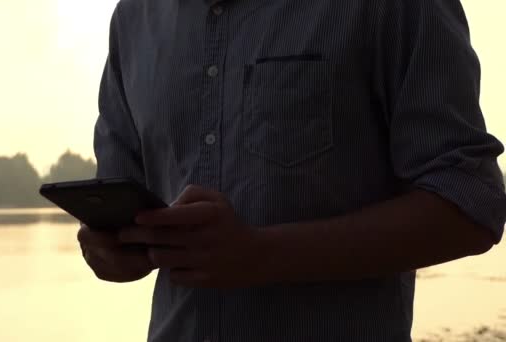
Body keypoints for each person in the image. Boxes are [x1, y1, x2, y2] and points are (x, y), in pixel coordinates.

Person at [77, 0, 506, 341]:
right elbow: (117, 208)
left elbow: (470, 203)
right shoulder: (133, 18)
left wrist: (262, 255)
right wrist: (110, 250)